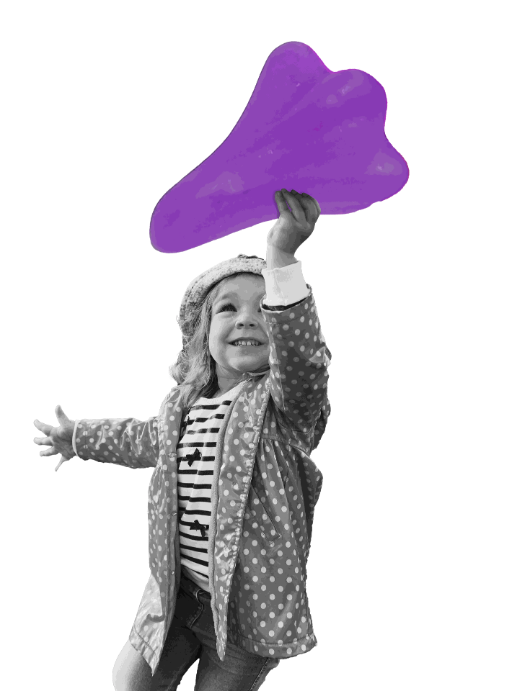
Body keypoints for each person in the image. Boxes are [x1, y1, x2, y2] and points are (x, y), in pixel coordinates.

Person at [33, 189, 331, 691]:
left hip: (246, 614)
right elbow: (140, 439)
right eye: (229, 308)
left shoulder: (281, 408)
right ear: (202, 335)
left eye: (264, 309)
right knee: (129, 682)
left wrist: (281, 256)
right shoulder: (182, 407)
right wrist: (78, 437)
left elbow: (304, 361)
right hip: (176, 592)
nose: (248, 318)